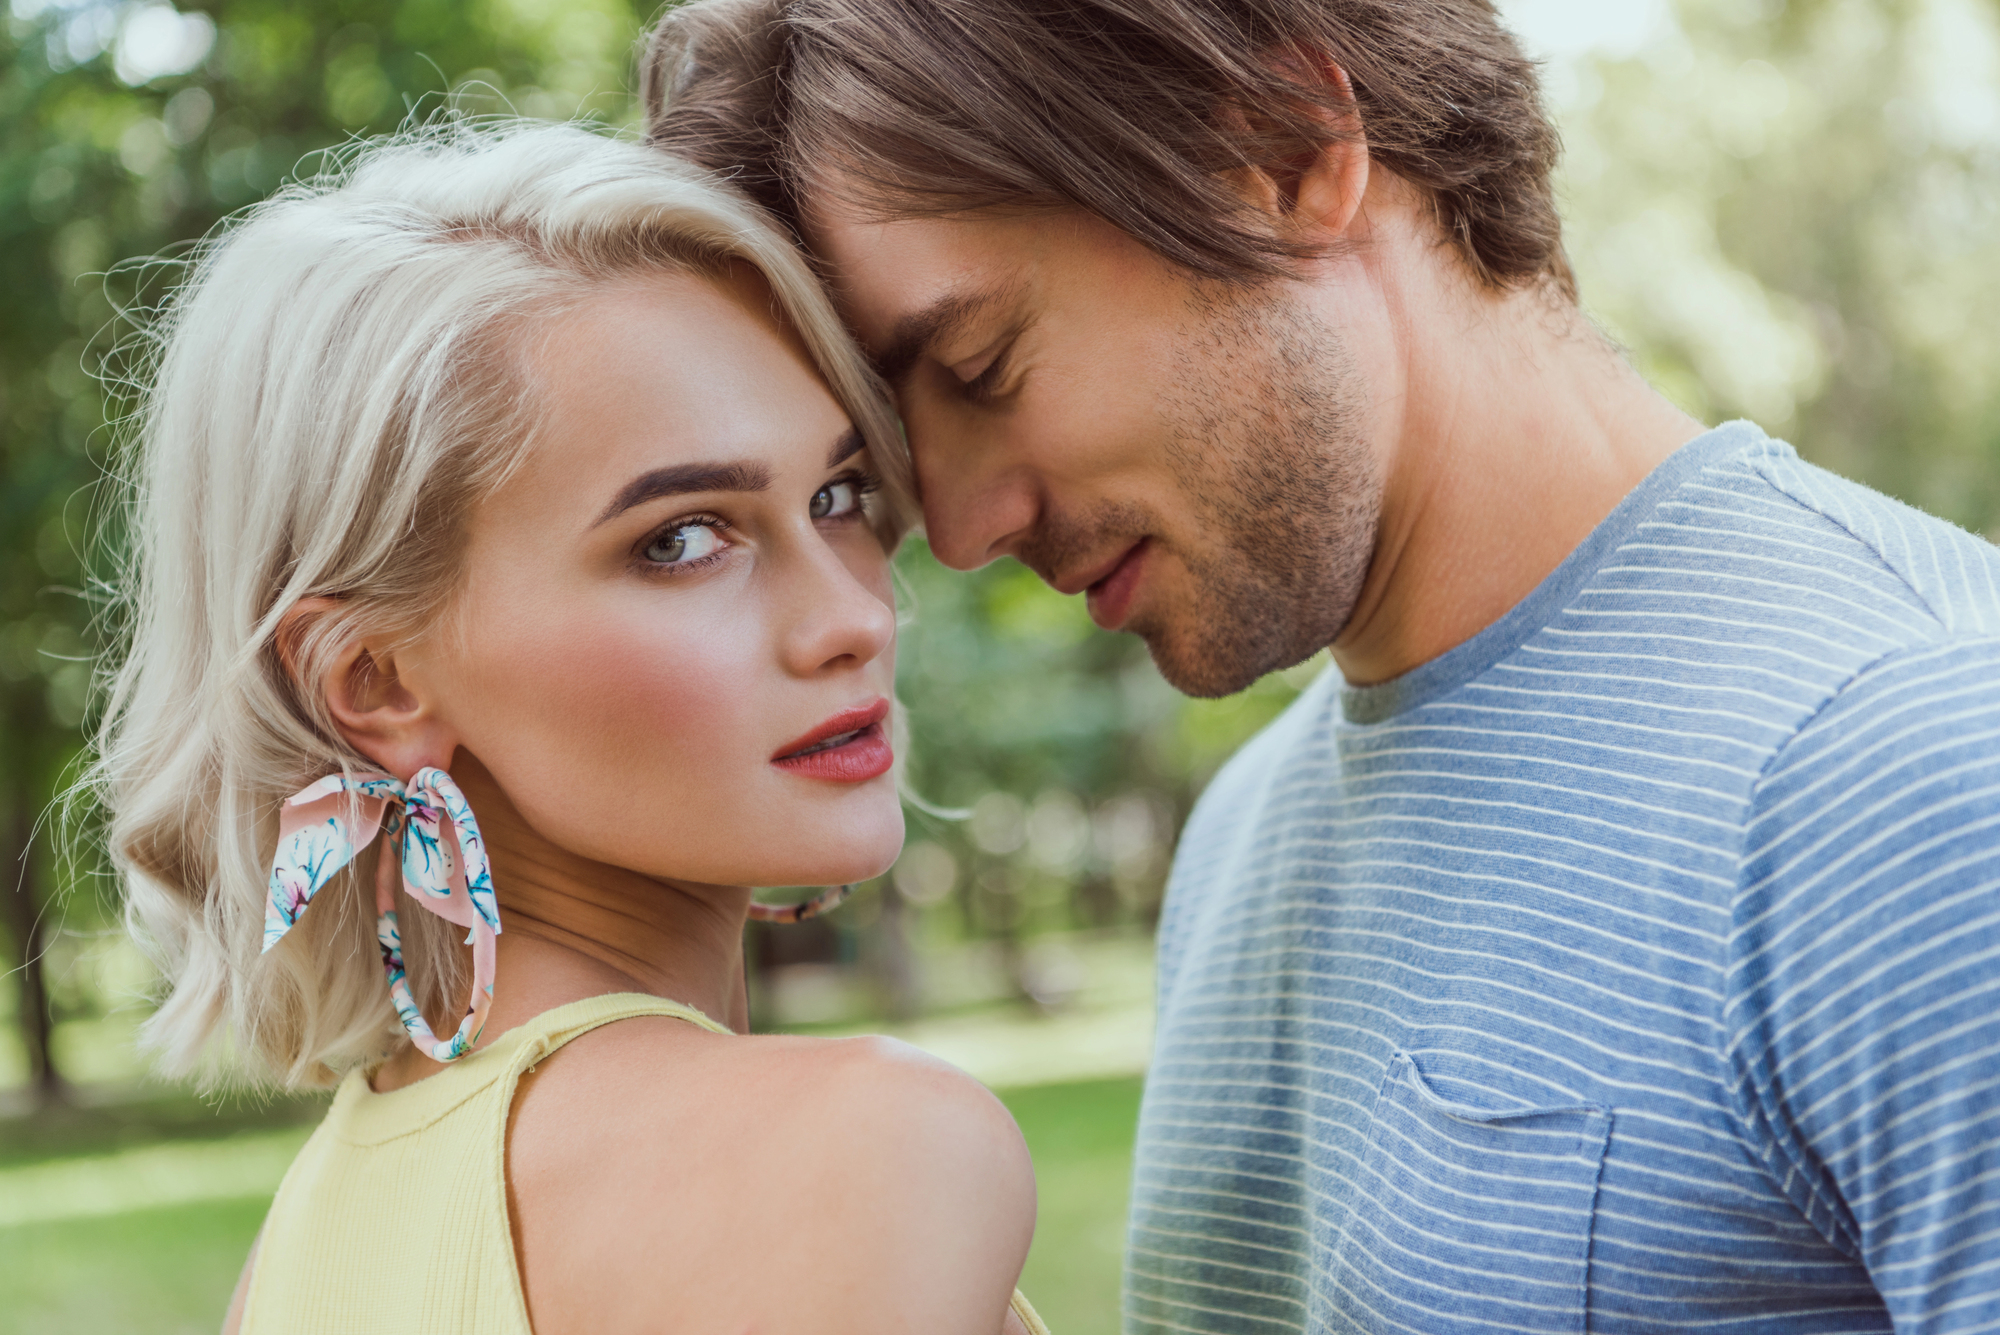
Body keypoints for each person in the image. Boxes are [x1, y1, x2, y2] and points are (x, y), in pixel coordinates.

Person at [644, 1, 2000, 1330]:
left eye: (980, 364)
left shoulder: (1907, 772)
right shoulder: (1241, 835)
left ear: (1289, 152)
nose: (957, 526)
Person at [94, 119, 1051, 1335]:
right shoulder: (869, 1151)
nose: (851, 614)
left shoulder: (301, 1244)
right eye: (681, 540)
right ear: (375, 681)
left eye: (838, 495)